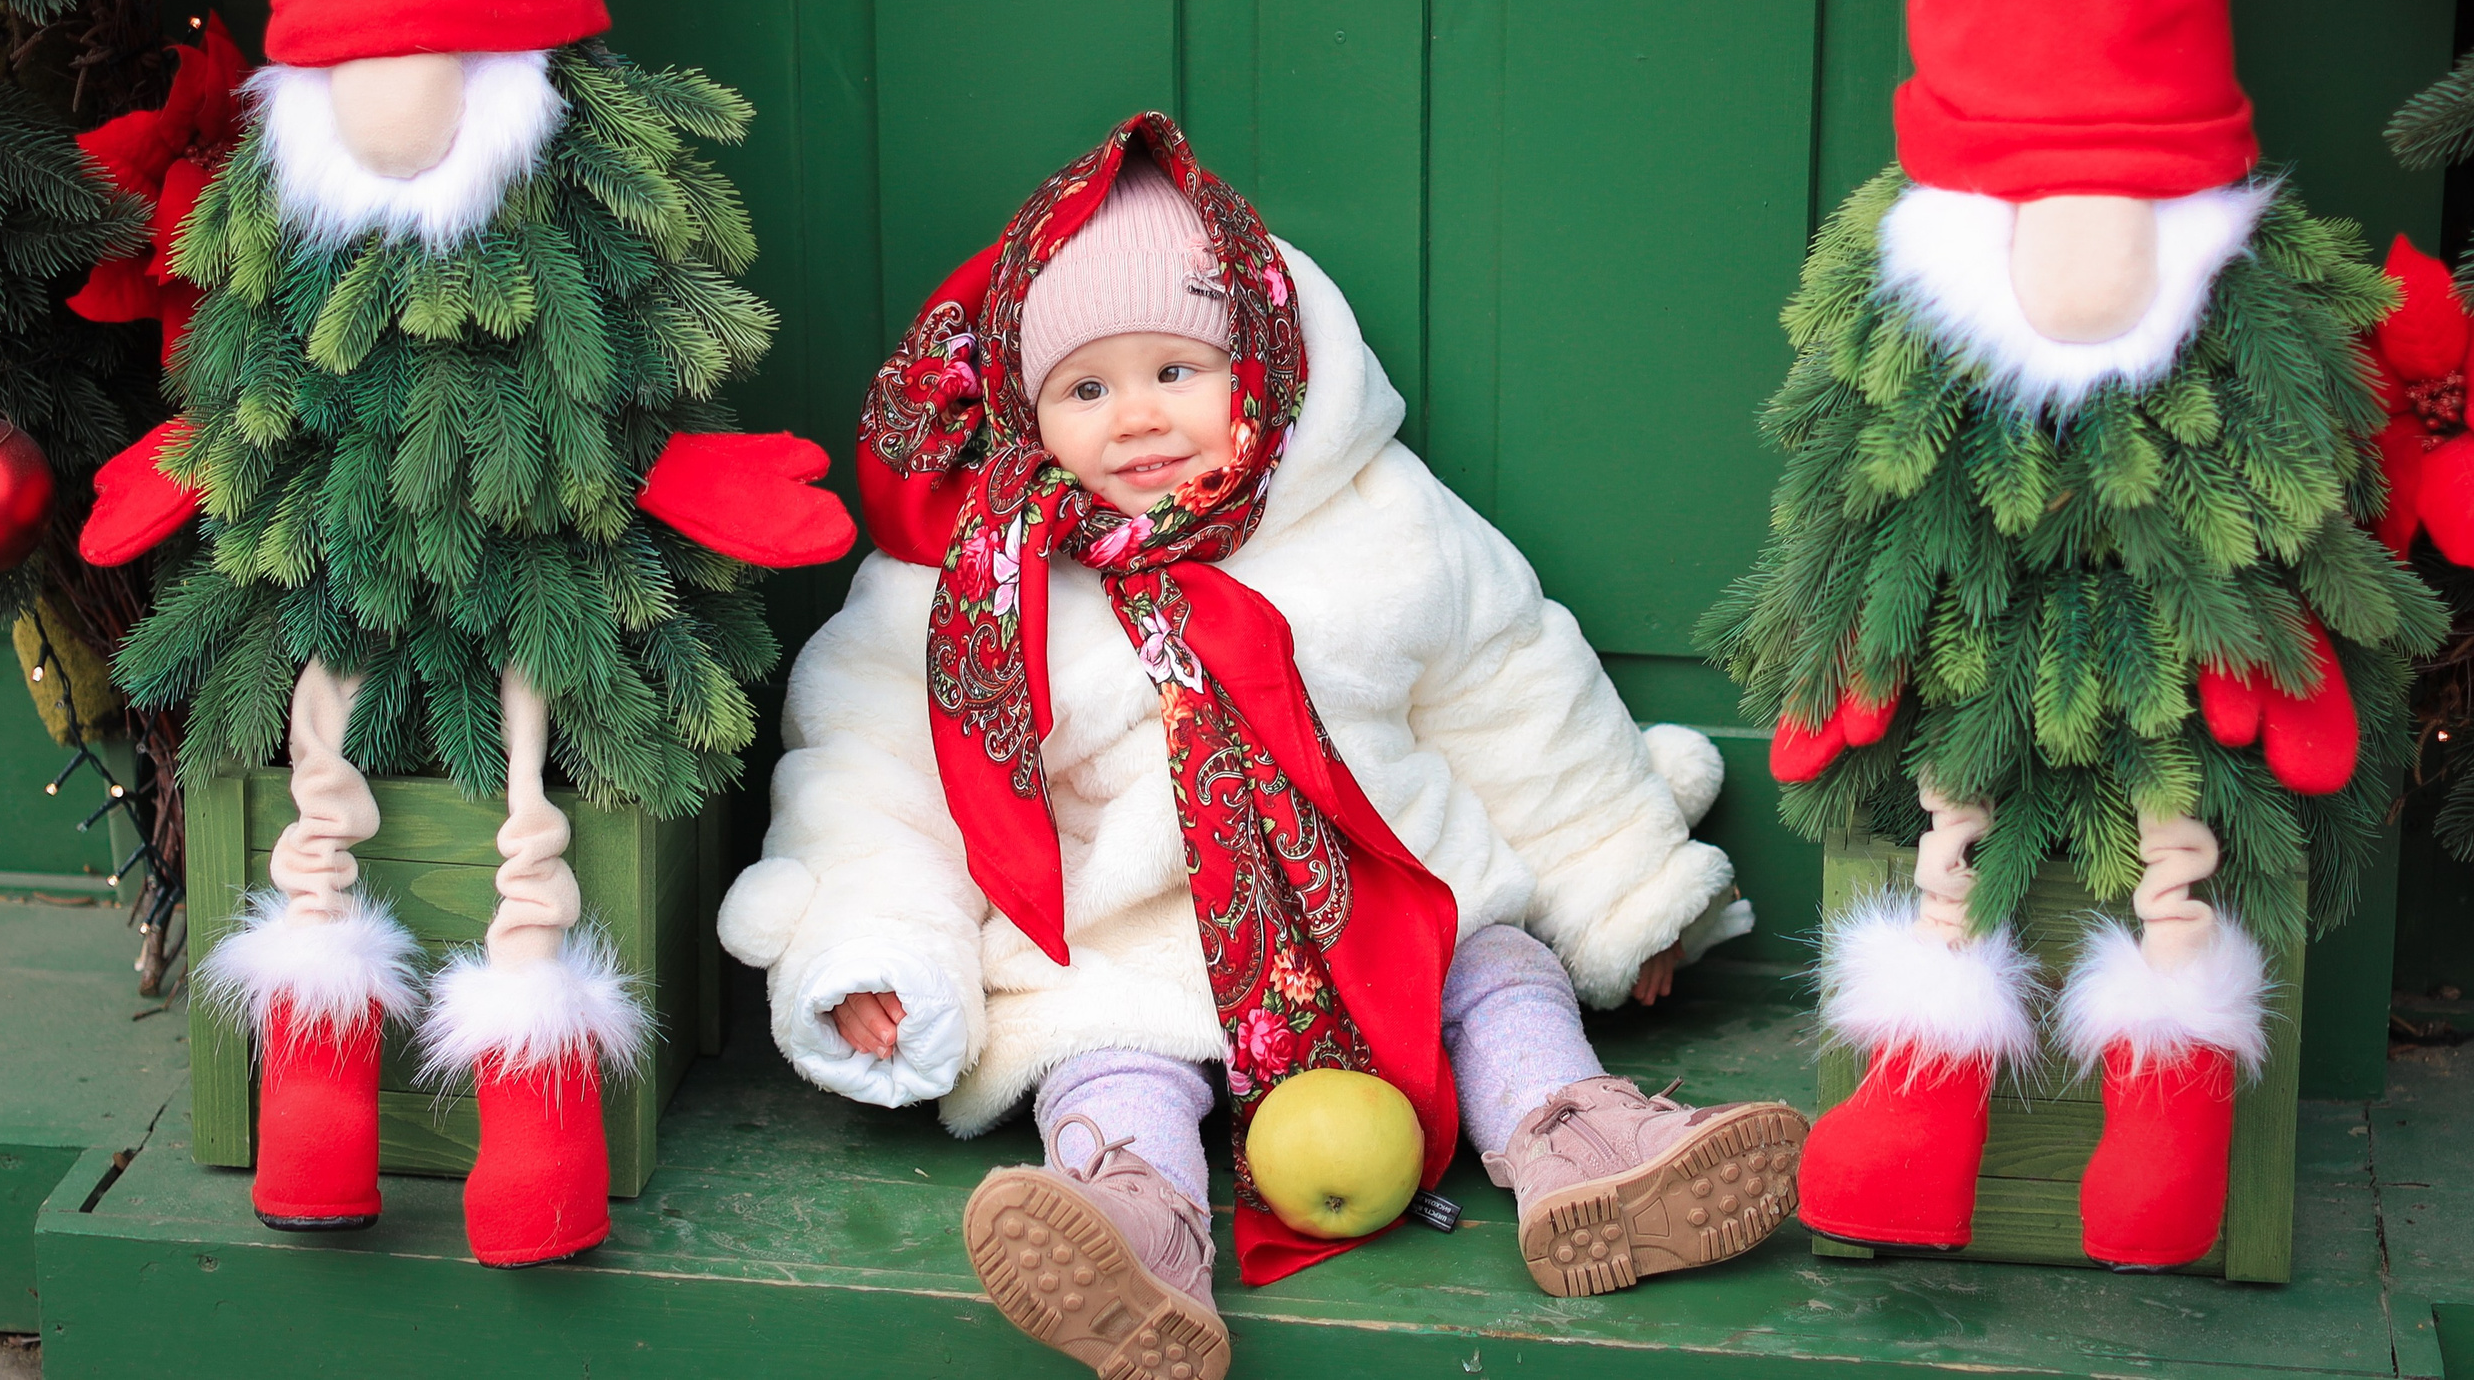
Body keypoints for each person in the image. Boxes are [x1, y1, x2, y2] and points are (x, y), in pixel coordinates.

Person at [720, 113, 1802, 1378]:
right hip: (1135, 950)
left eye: (1176, 370)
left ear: (1262, 358)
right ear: (1023, 411)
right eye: (1084, 388)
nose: (1134, 416)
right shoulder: (967, 585)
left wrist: (1624, 887)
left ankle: (1579, 1147)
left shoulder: (1370, 512)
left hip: (1402, 908)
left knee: (1502, 971)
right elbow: (876, 777)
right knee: (1105, 1061)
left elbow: (1514, 691)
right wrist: (882, 949)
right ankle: (1135, 1231)